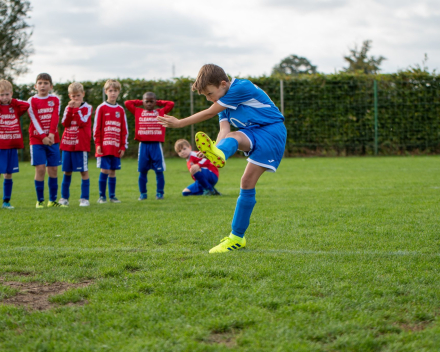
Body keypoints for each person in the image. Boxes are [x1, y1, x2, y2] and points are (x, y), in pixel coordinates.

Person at [158, 64, 287, 253]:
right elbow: (224, 130)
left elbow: (209, 112)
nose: (209, 99)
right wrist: (215, 148)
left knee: (235, 141)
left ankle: (219, 154)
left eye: (210, 94)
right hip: (252, 132)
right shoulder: (224, 104)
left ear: (223, 83)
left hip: (271, 132)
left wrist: (179, 123)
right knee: (245, 181)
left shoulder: (240, 88)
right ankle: (237, 238)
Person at [124, 93, 174, 200]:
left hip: (156, 146)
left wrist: (158, 102)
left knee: (159, 171)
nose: (149, 103)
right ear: (143, 102)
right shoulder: (138, 111)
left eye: (152, 101)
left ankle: (160, 193)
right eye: (147, 101)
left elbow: (170, 104)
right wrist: (141, 102)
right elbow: (127, 103)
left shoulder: (160, 112)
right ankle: (143, 194)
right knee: (142, 171)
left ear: (155, 102)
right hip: (143, 146)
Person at [28, 73, 66, 208]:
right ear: (35, 86)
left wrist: (50, 134)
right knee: (40, 169)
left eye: (45, 83)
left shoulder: (55, 99)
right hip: (37, 140)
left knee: (54, 169)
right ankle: (40, 201)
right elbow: (35, 120)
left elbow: (55, 117)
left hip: (52, 139)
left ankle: (52, 201)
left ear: (51, 86)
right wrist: (43, 136)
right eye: (40, 83)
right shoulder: (31, 101)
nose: (42, 85)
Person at [93, 79, 128, 204]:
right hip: (104, 146)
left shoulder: (120, 109)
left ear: (119, 92)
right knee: (105, 170)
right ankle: (102, 196)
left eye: (115, 91)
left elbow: (124, 129)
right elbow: (97, 128)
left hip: (116, 147)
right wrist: (98, 144)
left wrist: (123, 146)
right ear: (106, 92)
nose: (113, 93)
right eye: (110, 91)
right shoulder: (101, 108)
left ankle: (112, 196)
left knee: (113, 171)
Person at [59, 82, 93, 207]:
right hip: (67, 144)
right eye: (73, 96)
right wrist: (70, 110)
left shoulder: (88, 107)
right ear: (69, 96)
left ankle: (84, 198)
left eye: (78, 96)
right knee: (67, 171)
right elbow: (65, 123)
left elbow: (82, 122)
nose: (75, 99)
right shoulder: (67, 108)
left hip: (80, 145)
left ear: (83, 94)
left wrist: (77, 109)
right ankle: (64, 198)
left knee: (83, 171)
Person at [0, 80, 30, 209]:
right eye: (1, 95)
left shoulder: (15, 107)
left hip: (11, 146)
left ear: (11, 94)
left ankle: (6, 201)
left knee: (8, 174)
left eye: (7, 94)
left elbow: (26, 105)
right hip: (0, 146)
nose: (4, 98)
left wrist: (13, 101)